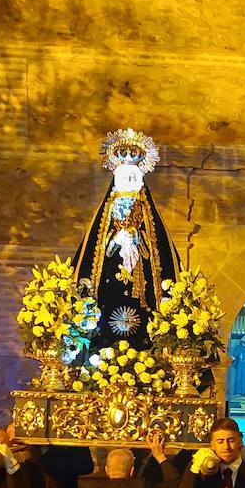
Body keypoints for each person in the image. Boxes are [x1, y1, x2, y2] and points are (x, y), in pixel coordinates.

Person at [71, 128, 179, 352]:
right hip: (109, 287)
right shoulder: (108, 210)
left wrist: (137, 238)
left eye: (132, 175)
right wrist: (115, 239)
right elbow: (96, 250)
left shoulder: (147, 213)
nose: (128, 177)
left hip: (142, 289)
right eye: (124, 174)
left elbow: (157, 253)